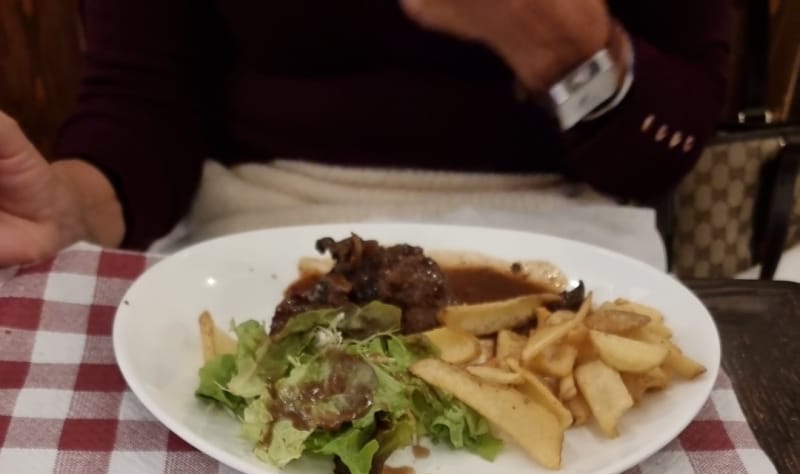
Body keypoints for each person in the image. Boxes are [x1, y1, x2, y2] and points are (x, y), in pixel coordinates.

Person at [0, 0, 732, 268]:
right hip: (246, 242)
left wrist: (569, 51)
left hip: (575, 236)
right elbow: (143, 102)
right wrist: (73, 210)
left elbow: (664, 155)